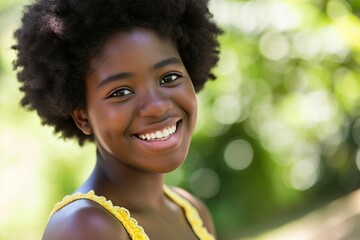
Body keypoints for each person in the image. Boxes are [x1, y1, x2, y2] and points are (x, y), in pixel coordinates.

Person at [13, 0, 222, 239]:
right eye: (121, 92)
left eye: (169, 77)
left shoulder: (191, 210)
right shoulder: (86, 227)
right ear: (83, 117)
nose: (157, 106)